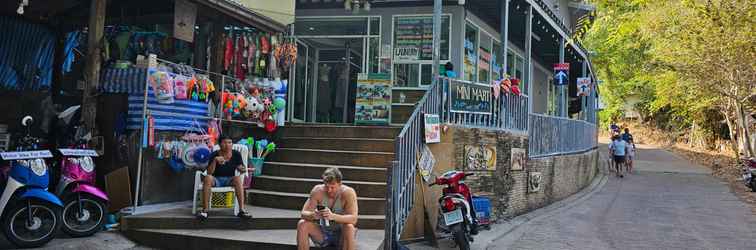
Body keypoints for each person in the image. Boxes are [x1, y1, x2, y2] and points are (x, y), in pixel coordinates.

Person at [297, 168, 358, 250]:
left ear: (340, 184)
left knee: (350, 227)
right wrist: (314, 215)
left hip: (341, 235)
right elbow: (303, 213)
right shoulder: (317, 190)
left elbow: (354, 219)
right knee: (302, 224)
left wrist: (333, 216)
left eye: (332, 187)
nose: (329, 190)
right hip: (323, 233)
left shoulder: (348, 192)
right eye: (326, 186)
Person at [197, 135, 252, 220]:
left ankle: (241, 210)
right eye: (224, 142)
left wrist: (242, 169)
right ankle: (205, 210)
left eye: (229, 142)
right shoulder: (214, 154)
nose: (227, 145)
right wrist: (215, 161)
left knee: (237, 179)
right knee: (208, 178)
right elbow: (209, 172)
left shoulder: (236, 154)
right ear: (219, 144)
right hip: (216, 179)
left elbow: (242, 169)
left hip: (229, 179)